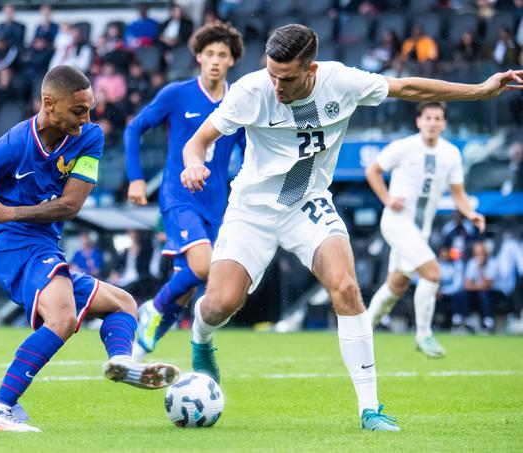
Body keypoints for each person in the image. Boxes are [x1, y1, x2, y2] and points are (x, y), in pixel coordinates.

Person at [179, 24, 522, 431]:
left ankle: (370, 408)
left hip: (307, 202)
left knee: (345, 286)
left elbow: (409, 88)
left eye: (286, 78)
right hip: (251, 209)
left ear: (312, 69)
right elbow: (197, 141)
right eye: (272, 74)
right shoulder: (250, 91)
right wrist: (194, 163)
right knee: (220, 305)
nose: (276, 87)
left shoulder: (342, 82)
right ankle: (201, 339)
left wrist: (480, 91)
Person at [0, 65, 179, 432]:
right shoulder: (10, 147)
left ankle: (122, 362)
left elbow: (71, 206)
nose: (87, 118)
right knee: (64, 319)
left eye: (89, 108)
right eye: (78, 110)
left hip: (45, 244)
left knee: (123, 303)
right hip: (16, 248)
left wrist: (9, 210)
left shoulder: (89, 138)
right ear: (49, 104)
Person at [124, 22, 245, 359]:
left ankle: (136, 353)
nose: (216, 61)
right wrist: (135, 177)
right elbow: (135, 128)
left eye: (223, 54)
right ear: (198, 57)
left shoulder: (239, 101)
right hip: (179, 196)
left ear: (232, 60)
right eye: (210, 54)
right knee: (204, 267)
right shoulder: (177, 95)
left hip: (217, 204)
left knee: (187, 289)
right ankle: (152, 307)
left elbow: (249, 151)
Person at [365, 102, 486, 358]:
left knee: (396, 285)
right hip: (397, 223)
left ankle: (362, 330)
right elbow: (373, 170)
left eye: (438, 118)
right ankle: (423, 334)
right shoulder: (403, 147)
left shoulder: (451, 153)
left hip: (421, 230)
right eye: (428, 117)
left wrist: (471, 213)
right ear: (418, 121)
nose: (432, 122)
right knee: (432, 272)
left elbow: (458, 194)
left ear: (444, 123)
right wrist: (387, 199)